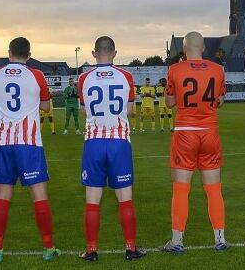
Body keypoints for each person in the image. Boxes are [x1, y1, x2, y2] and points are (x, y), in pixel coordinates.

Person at [0, 37, 60, 262]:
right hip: (29, 144)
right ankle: (48, 248)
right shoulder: (36, 75)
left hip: (4, 143)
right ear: (29, 55)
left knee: (2, 195)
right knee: (38, 195)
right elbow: (47, 106)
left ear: (9, 52)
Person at [76, 36, 146, 262]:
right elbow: (131, 111)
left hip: (94, 142)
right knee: (125, 198)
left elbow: (85, 111)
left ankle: (92, 250)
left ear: (94, 53)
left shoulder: (83, 78)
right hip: (119, 142)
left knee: (92, 197)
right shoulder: (126, 76)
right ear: (114, 53)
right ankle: (130, 248)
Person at [161, 31, 228, 253]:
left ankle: (177, 241)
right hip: (209, 132)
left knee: (181, 189)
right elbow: (220, 100)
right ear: (203, 48)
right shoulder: (217, 70)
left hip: (185, 133)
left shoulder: (175, 70)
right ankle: (220, 238)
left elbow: (169, 102)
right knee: (213, 188)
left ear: (184, 48)